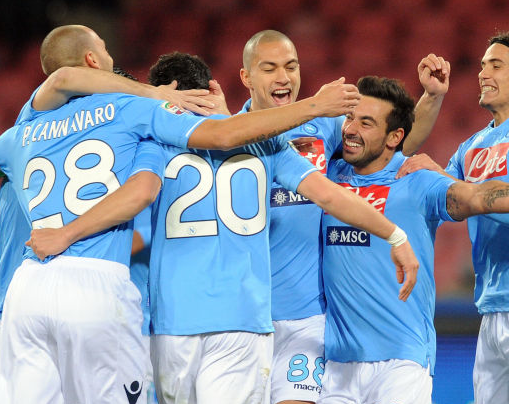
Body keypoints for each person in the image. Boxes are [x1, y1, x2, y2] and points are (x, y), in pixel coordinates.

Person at [0, 24, 373, 404]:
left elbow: (62, 82)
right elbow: (223, 138)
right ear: (93, 60)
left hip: (37, 289)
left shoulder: (25, 130)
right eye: (106, 51)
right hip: (201, 306)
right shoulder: (137, 115)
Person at [239, 29, 450, 404]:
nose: (283, 77)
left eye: (291, 66)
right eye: (269, 68)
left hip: (308, 320)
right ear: (246, 77)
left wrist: (431, 98)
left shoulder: (322, 127)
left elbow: (386, 140)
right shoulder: (228, 136)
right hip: (244, 317)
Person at [318, 75, 509, 404]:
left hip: (401, 363)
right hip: (335, 364)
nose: (350, 129)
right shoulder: (326, 177)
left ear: (395, 137)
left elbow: (477, 198)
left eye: (366, 123)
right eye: (350, 118)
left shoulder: (417, 180)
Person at [395, 31, 509, 404]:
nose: (483, 74)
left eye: (496, 65)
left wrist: (445, 179)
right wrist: (432, 97)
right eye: (482, 66)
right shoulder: (471, 147)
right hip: (492, 307)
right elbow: (443, 195)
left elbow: (461, 190)